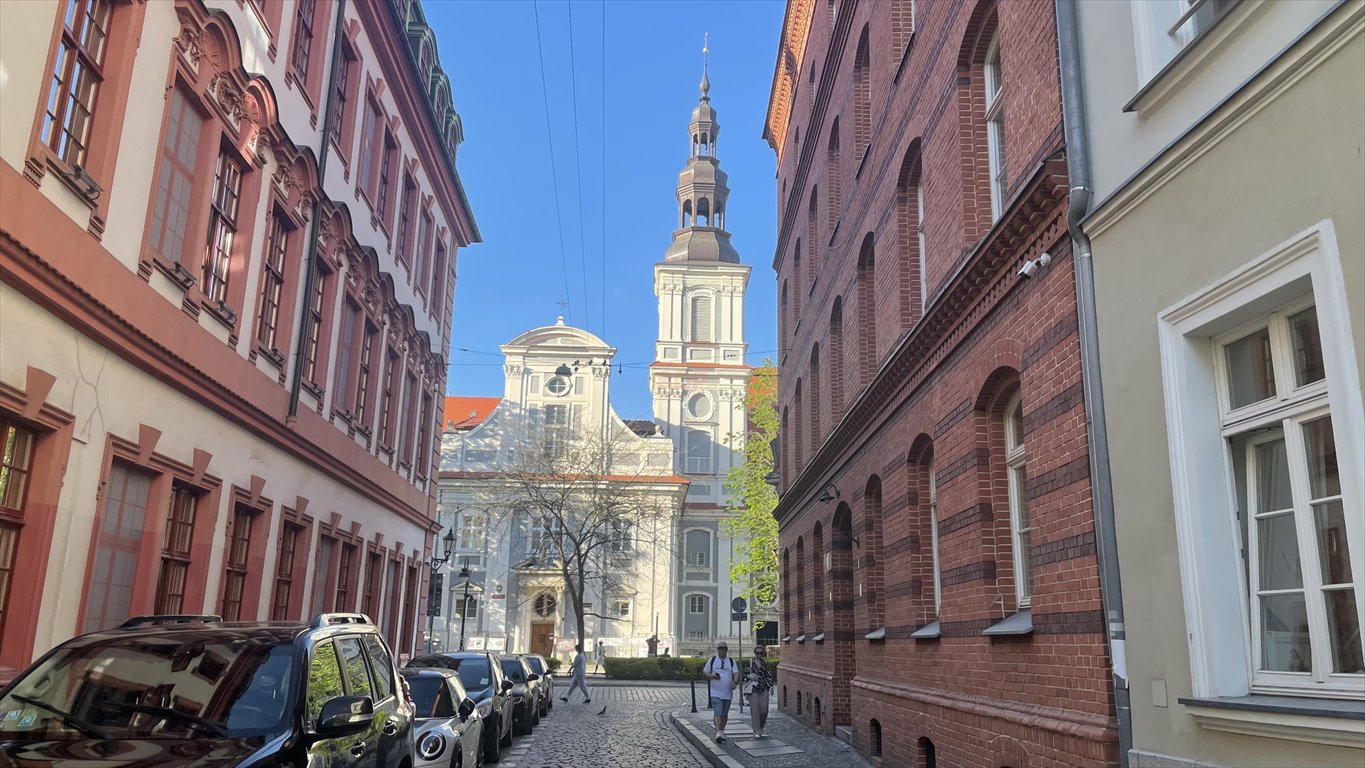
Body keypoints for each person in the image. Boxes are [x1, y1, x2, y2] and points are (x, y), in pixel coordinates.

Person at [703, 641, 739, 743]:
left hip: (727, 692)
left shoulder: (731, 661)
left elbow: (736, 672)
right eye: (720, 649)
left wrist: (735, 682)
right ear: (718, 650)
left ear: (726, 650)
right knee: (718, 711)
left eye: (724, 649)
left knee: (724, 713)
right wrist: (713, 676)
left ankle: (722, 730)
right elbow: (705, 672)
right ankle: (718, 731)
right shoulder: (713, 660)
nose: (722, 651)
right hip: (715, 691)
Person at [746, 645, 776, 738]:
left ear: (763, 653)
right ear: (755, 653)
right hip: (753, 689)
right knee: (755, 711)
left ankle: (760, 727)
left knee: (764, 711)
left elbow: (769, 675)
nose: (759, 654)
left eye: (761, 653)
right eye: (757, 653)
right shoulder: (751, 662)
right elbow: (745, 674)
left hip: (764, 688)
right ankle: (756, 730)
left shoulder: (765, 663)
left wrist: (771, 686)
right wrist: (749, 676)